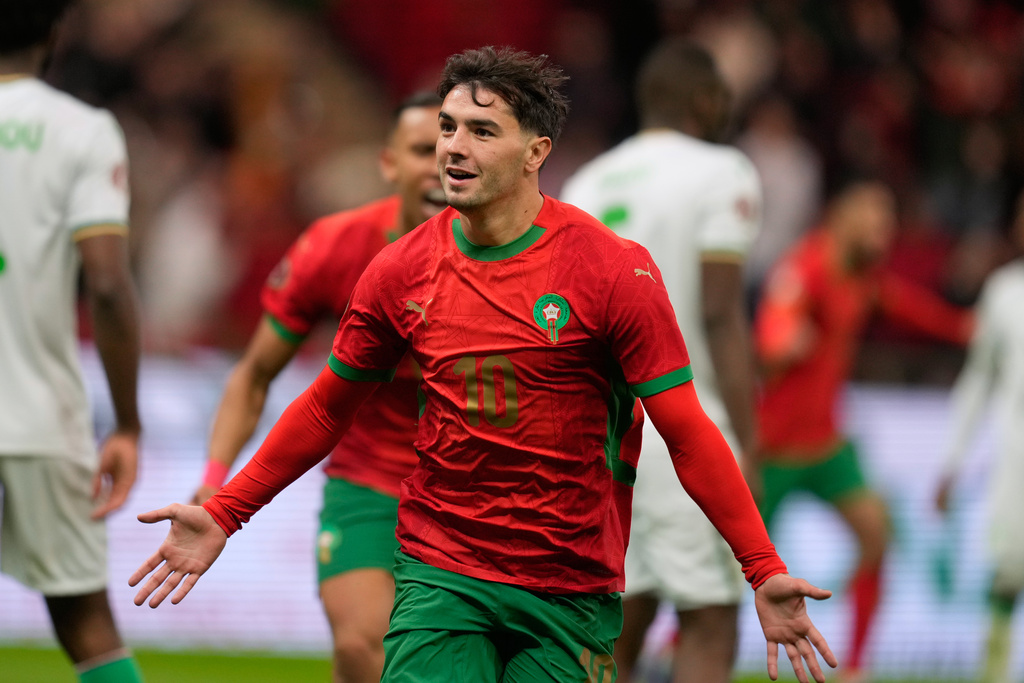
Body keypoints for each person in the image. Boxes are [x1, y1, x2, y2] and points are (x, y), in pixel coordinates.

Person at [131, 46, 836, 683]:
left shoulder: (613, 270)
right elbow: (324, 408)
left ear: (536, 152)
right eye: (447, 128)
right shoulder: (400, 271)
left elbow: (684, 430)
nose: (454, 147)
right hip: (443, 572)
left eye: (481, 130)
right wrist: (226, 511)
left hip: (570, 584)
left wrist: (762, 567)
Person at [189, 91, 444, 683]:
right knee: (361, 646)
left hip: (478, 485)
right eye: (422, 151)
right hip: (370, 480)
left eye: (452, 152)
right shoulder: (337, 247)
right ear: (388, 164)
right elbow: (255, 373)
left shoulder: (515, 257)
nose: (439, 166)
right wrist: (214, 476)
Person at [561, 40, 759, 683]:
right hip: (686, 429)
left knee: (617, 626)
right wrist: (748, 440)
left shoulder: (587, 182)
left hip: (603, 441)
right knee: (708, 618)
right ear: (703, 99)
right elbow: (720, 312)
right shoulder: (724, 171)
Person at [753, 179, 975, 683]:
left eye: (887, 226)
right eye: (876, 225)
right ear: (847, 221)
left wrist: (961, 327)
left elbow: (909, 308)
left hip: (828, 446)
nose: (884, 236)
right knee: (728, 563)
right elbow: (771, 331)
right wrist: (782, 343)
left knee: (876, 536)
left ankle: (854, 667)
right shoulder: (806, 267)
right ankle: (674, 648)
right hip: (776, 449)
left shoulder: (861, 277)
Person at [0, 2, 144, 682]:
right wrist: (128, 422)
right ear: (54, 35)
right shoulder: (83, 130)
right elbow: (108, 284)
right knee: (86, 618)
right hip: (40, 415)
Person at [935, 191, 1024, 683]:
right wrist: (952, 461)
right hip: (1016, 459)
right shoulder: (1004, 292)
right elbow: (977, 380)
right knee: (1009, 571)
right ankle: (995, 672)